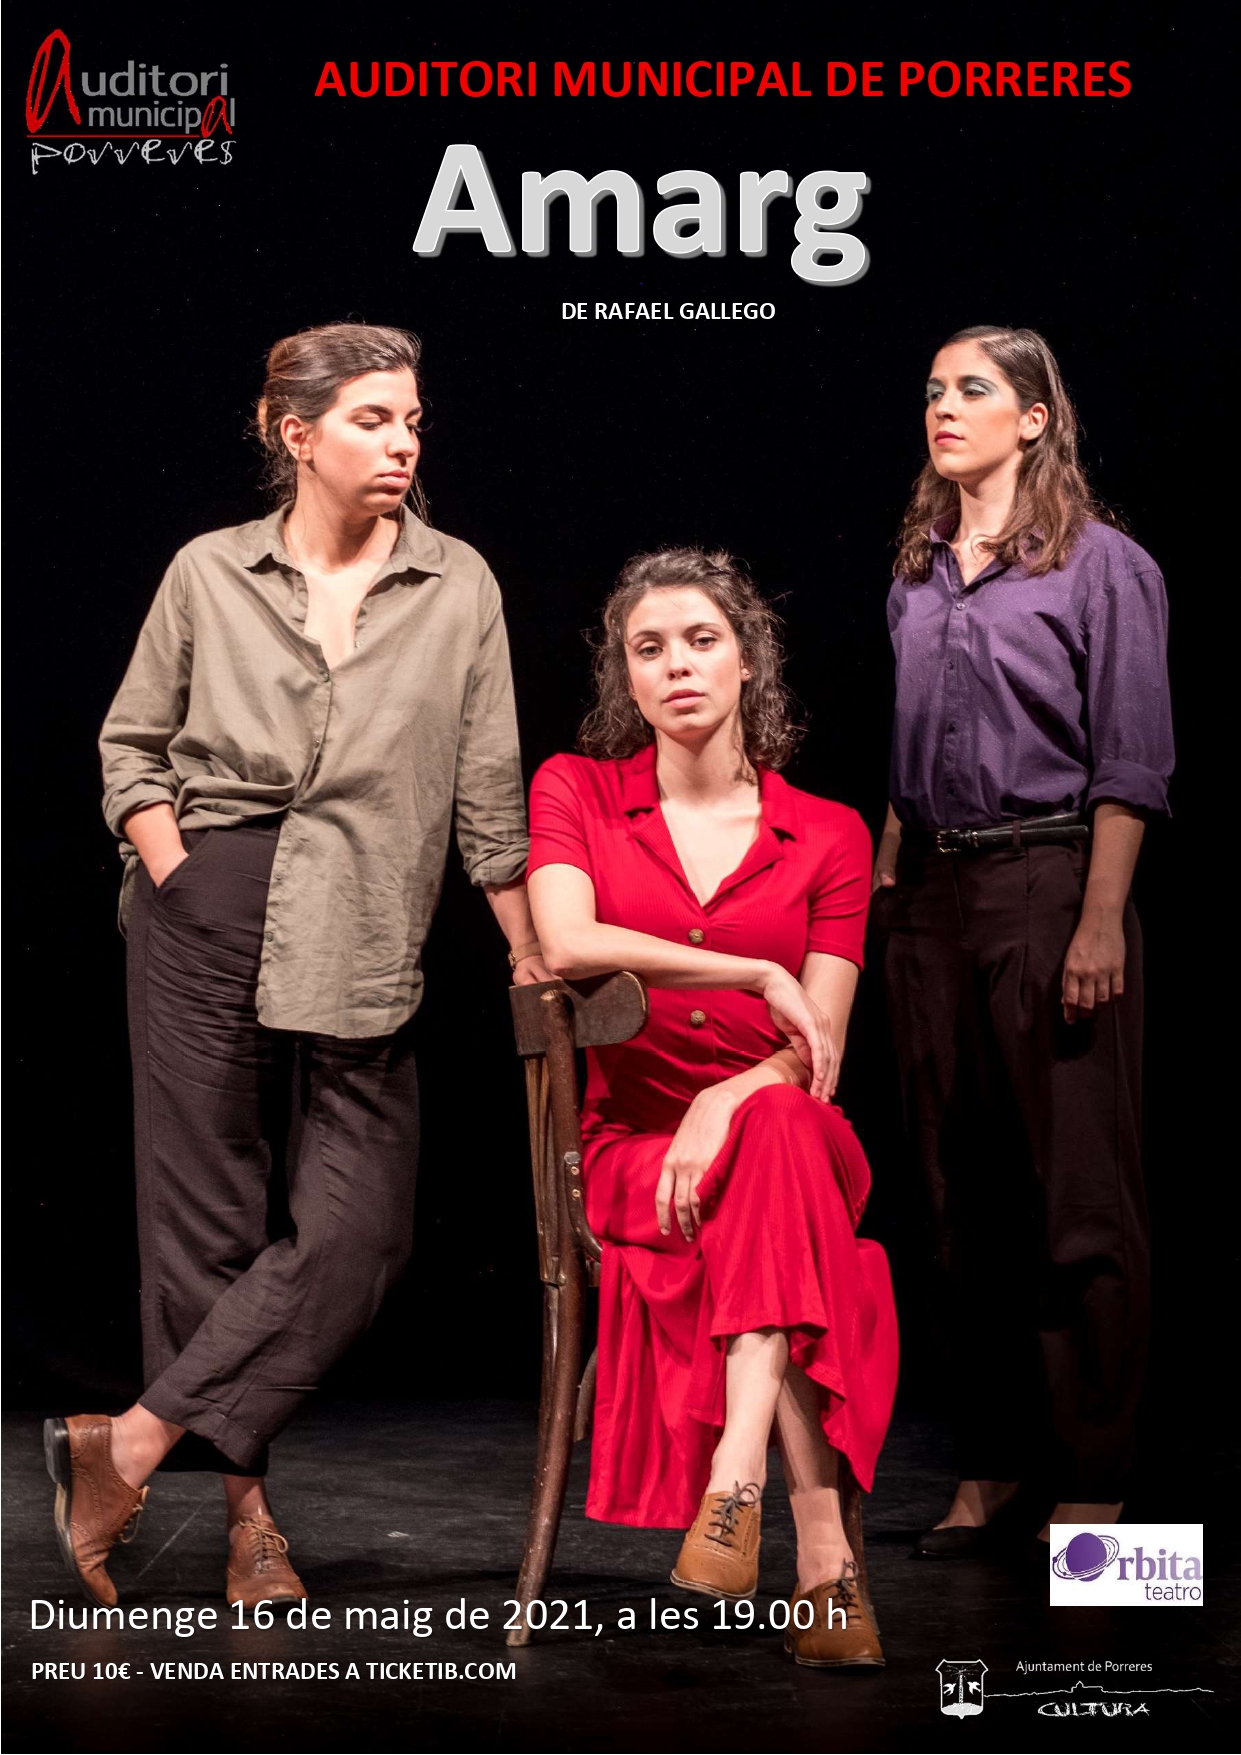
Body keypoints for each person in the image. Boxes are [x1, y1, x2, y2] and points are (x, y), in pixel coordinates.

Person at [46, 321, 549, 1612]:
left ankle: (127, 1444)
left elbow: (490, 796)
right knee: (205, 1223)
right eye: (375, 418)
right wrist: (173, 864)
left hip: (365, 915)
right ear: (297, 433)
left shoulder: (458, 583)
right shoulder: (209, 571)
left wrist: (528, 949)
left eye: (413, 419)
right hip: (208, 901)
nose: (403, 441)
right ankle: (248, 1524)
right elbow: (131, 744)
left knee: (360, 1230)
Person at [527, 549, 898, 1668]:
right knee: (785, 1192)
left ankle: (733, 1480)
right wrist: (753, 971)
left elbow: (815, 1051)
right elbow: (564, 942)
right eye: (648, 649)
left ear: (747, 661)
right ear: (626, 679)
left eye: (700, 640)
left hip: (782, 1128)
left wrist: (728, 1098)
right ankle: (824, 1562)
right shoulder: (577, 791)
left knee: (778, 1127)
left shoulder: (826, 833)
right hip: (634, 1152)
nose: (676, 665)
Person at [873, 325, 1173, 1555]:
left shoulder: (1102, 567)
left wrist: (1098, 918)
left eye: (972, 389)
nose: (942, 407)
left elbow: (1130, 760)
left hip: (1049, 881)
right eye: (931, 390)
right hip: (929, 899)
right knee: (956, 1195)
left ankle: (1091, 1481)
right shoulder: (916, 571)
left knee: (1077, 1194)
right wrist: (887, 889)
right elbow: (905, 761)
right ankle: (987, 1463)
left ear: (1034, 417)